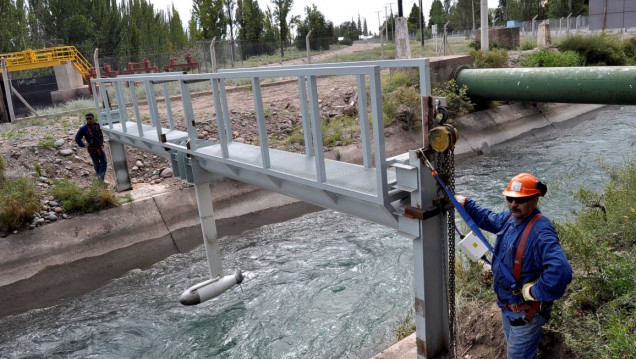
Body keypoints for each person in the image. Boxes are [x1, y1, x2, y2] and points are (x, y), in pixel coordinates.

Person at [456, 173, 572, 359]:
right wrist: (464, 202)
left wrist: (534, 292)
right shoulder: (509, 219)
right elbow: (487, 218)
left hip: (525, 313)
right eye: (510, 199)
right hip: (507, 307)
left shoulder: (541, 231)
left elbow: (561, 271)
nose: (513, 204)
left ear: (534, 200)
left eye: (520, 200)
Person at [75, 112, 108, 182]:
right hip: (92, 150)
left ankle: (100, 179)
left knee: (104, 163)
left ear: (93, 118)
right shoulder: (83, 128)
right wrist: (83, 145)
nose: (88, 120)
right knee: (96, 165)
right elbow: (77, 138)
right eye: (87, 119)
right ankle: (100, 180)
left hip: (100, 148)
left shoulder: (99, 125)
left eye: (90, 118)